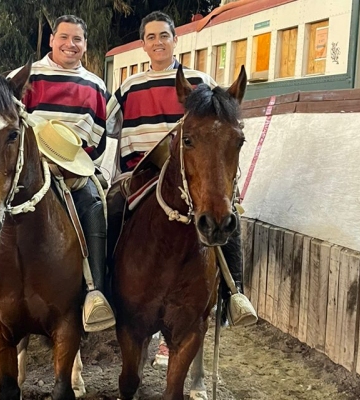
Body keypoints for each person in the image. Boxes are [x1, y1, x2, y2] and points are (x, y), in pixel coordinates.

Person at [0, 15, 116, 336]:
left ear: (85, 45)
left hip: (71, 170)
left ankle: (94, 292)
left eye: (78, 40)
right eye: (64, 38)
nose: (71, 45)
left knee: (94, 203)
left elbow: (98, 140)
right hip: (24, 171)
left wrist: (78, 162)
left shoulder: (97, 86)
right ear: (52, 40)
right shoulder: (22, 77)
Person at [105, 11, 254, 365]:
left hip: (188, 175)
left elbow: (220, 125)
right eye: (151, 37)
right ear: (143, 44)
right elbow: (107, 126)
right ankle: (99, 292)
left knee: (226, 220)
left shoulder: (201, 81)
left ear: (175, 40)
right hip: (139, 176)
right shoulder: (128, 86)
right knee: (107, 214)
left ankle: (234, 293)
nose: (158, 42)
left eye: (164, 36)